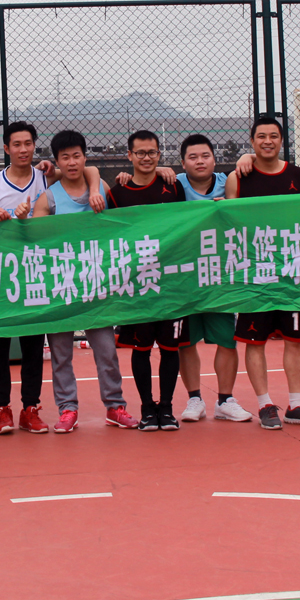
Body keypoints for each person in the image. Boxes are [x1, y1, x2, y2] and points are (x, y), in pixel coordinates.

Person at [32, 130, 139, 432]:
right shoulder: (49, 198)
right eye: (65, 157)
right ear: (57, 162)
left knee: (106, 351)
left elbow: (123, 223)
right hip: (62, 288)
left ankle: (115, 406)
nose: (72, 162)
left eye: (76, 156)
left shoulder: (100, 187)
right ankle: (67, 409)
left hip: (96, 286)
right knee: (61, 355)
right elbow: (35, 239)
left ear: (84, 157)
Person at [225, 115, 300, 429]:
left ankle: (296, 405)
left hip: (291, 271)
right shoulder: (238, 178)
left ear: (281, 141)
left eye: (273, 136)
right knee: (254, 342)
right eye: (261, 136)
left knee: (295, 340)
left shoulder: (297, 175)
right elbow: (228, 225)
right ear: (252, 141)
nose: (267, 141)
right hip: (253, 273)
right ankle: (265, 405)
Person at [108, 130, 188, 431]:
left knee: (170, 348)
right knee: (140, 350)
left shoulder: (173, 186)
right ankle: (146, 408)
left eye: (152, 152)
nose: (146, 158)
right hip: (137, 284)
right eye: (140, 153)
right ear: (129, 155)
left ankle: (166, 408)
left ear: (159, 155)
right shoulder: (117, 194)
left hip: (171, 284)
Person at [170, 134, 250, 424]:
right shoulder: (173, 184)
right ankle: (194, 399)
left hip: (220, 275)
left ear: (214, 159)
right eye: (192, 157)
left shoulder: (229, 182)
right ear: (182, 163)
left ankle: (225, 400)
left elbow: (261, 164)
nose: (200, 161)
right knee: (186, 342)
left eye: (205, 156)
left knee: (227, 340)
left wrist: (248, 156)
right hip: (185, 276)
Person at [0, 121, 52, 434]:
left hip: (35, 273)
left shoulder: (46, 178)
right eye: (17, 144)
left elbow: (88, 174)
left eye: (28, 144)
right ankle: (1, 408)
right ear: (6, 148)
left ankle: (30, 408)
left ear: (35, 145)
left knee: (33, 345)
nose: (23, 150)